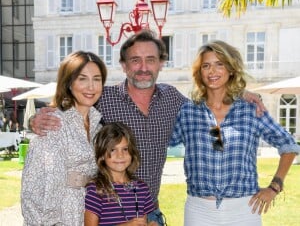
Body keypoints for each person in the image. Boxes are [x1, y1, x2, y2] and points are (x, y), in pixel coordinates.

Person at [29, 30, 265, 226]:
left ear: (161, 63)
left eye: (150, 59)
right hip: (106, 214)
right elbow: (70, 105)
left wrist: (238, 92)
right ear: (123, 65)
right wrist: (37, 119)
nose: (143, 67)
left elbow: (207, 108)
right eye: (135, 60)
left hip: (149, 212)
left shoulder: (172, 99)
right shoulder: (103, 98)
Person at [169, 40, 300, 226]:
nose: (212, 71)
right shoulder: (188, 112)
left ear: (231, 69)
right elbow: (161, 142)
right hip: (198, 211)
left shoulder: (250, 110)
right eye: (206, 66)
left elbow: (288, 144)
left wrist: (275, 186)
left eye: (219, 64)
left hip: (244, 210)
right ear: (200, 73)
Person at [21, 51, 107, 225]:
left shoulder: (98, 127)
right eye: (82, 78)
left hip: (91, 214)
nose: (91, 87)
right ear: (68, 83)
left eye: (97, 79)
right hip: (61, 218)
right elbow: (34, 190)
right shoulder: (53, 123)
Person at [84, 122, 157, 226]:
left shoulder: (142, 188)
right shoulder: (96, 189)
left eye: (125, 149)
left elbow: (144, 222)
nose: (120, 155)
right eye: (113, 150)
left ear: (132, 152)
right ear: (102, 155)